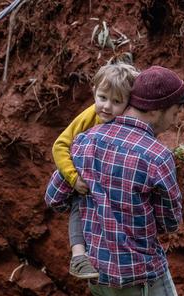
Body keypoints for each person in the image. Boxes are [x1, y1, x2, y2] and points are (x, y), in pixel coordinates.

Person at [45, 65, 184, 296]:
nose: (176, 121)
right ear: (156, 110)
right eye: (175, 113)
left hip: (98, 272)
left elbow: (54, 198)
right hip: (141, 275)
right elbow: (171, 223)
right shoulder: (157, 156)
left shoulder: (86, 140)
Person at [52, 62, 139, 279]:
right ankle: (79, 256)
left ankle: (106, 258)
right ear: (94, 92)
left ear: (129, 103)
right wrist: (73, 178)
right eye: (102, 97)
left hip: (105, 182)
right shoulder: (90, 116)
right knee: (78, 207)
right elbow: (60, 145)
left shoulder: (127, 122)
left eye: (116, 101)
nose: (107, 107)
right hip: (81, 178)